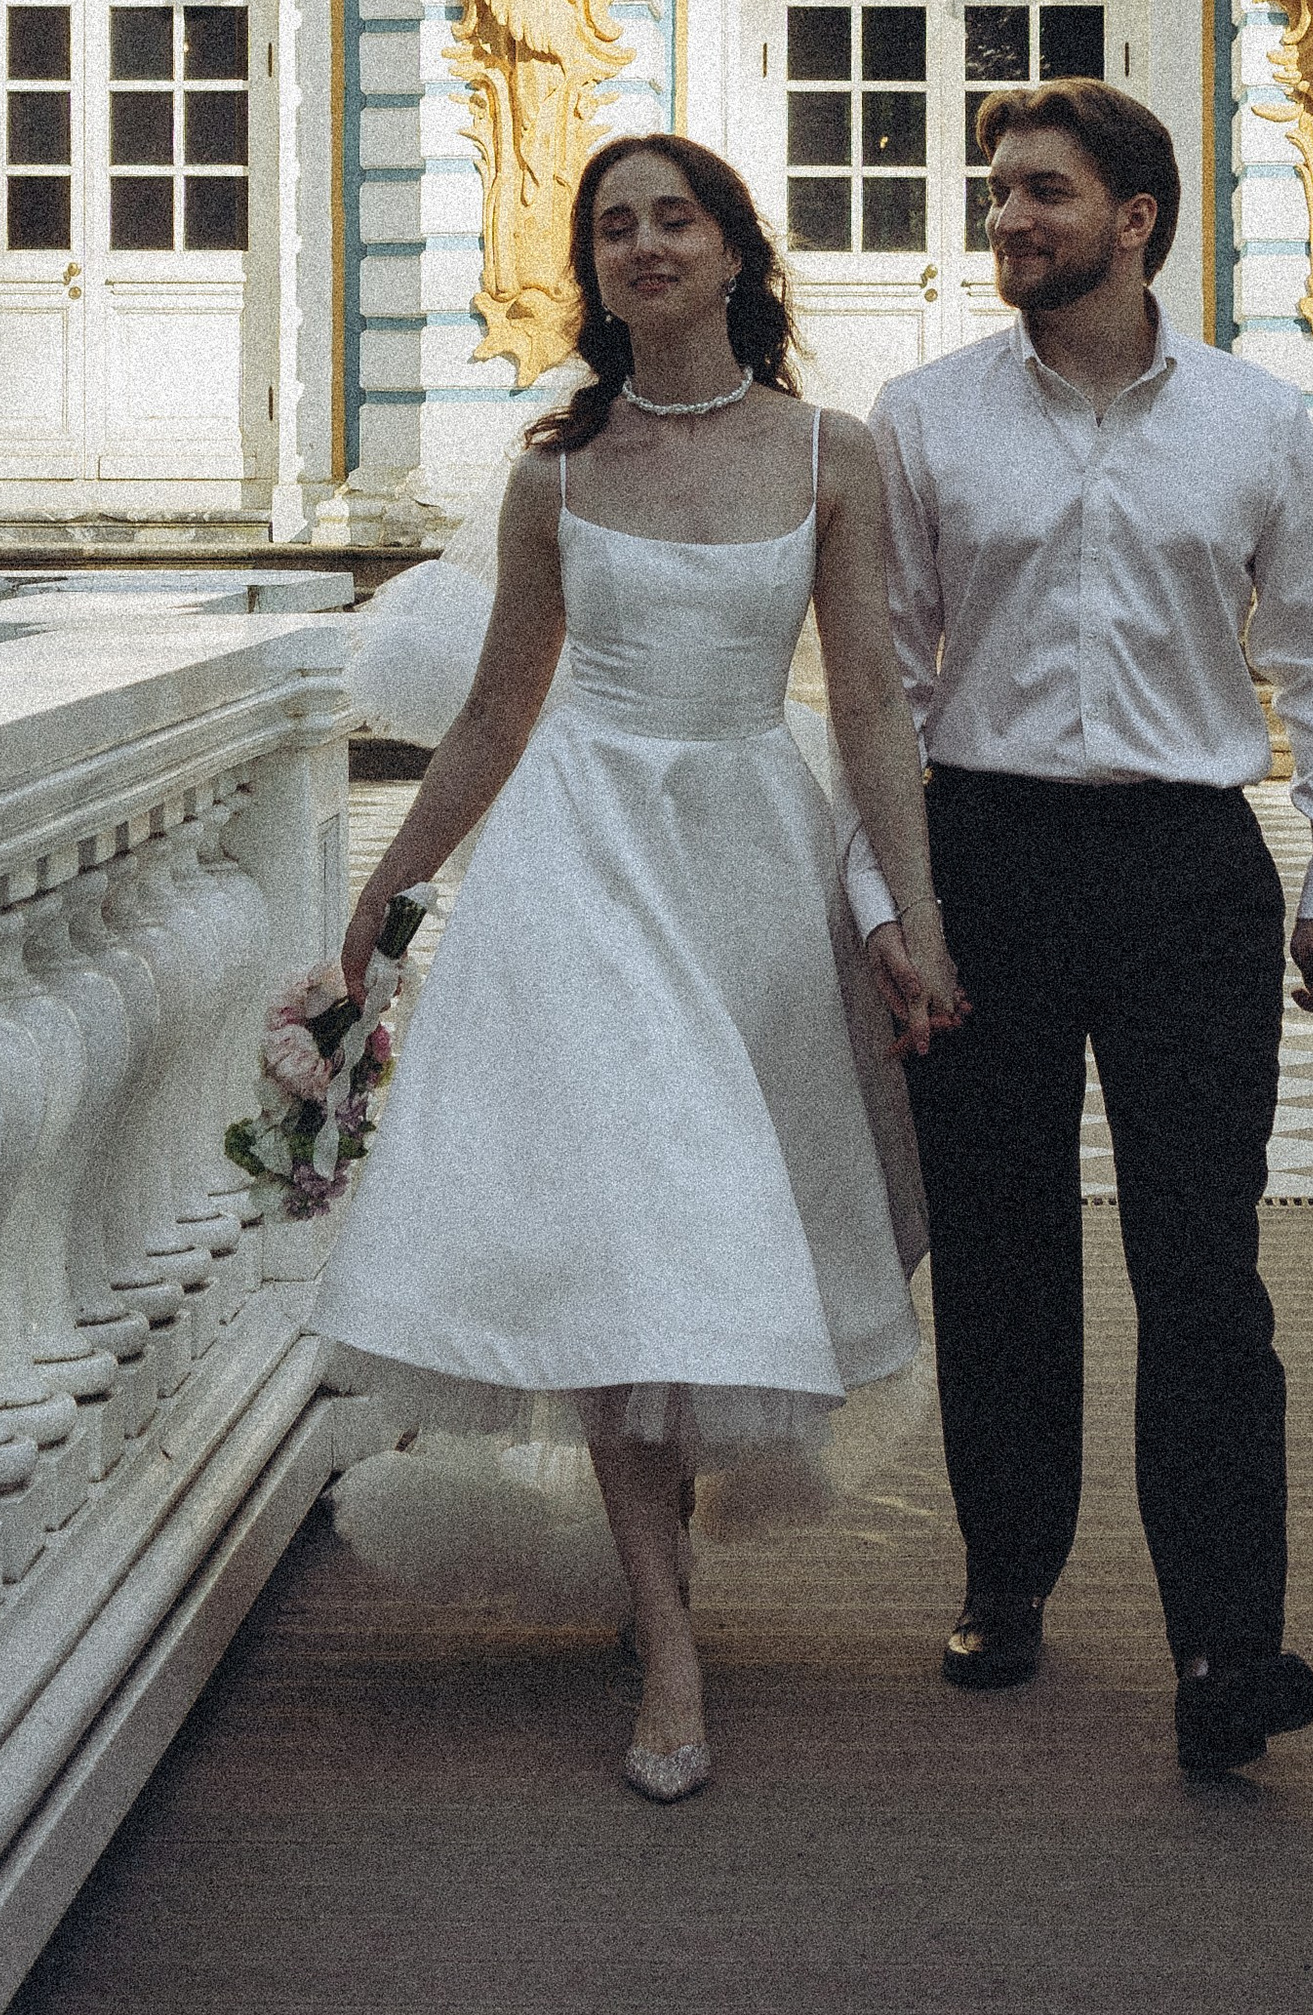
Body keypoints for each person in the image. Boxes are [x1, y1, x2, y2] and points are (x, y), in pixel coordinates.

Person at [315, 135, 961, 1804]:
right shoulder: (553, 472)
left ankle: (662, 1576)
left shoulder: (834, 452)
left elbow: (875, 703)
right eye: (613, 227)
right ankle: (666, 1638)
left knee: (704, 1228)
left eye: (675, 219)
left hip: (744, 853)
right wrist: (378, 907)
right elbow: (493, 715)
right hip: (579, 864)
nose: (644, 246)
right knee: (623, 1232)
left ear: (736, 251)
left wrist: (916, 909)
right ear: (593, 269)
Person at [842, 78, 1313, 1776]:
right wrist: (891, 904)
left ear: (1136, 218)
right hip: (985, 859)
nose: (1008, 219)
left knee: (1203, 1268)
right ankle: (1006, 1578)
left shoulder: (1253, 417)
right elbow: (883, 681)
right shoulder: (923, 417)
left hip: (1184, 872)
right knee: (1002, 1259)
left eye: (1043, 194)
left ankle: (1231, 1640)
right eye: (999, 194)